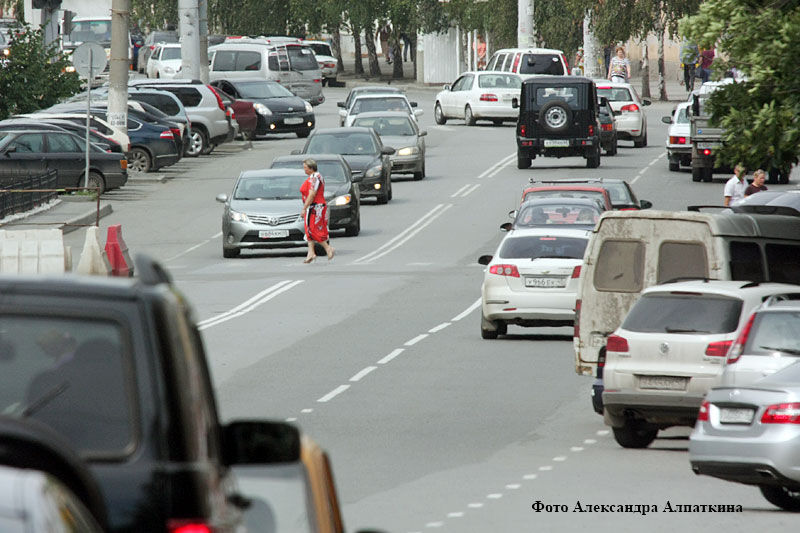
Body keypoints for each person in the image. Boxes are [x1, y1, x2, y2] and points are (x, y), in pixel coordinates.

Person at [300, 158, 334, 263]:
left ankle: (327, 247)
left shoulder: (314, 178)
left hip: (315, 206)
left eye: (305, 168)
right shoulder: (313, 177)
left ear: (311, 168)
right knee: (308, 229)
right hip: (313, 206)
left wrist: (304, 207)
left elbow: (312, 193)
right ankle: (311, 252)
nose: (304, 170)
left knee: (313, 229)